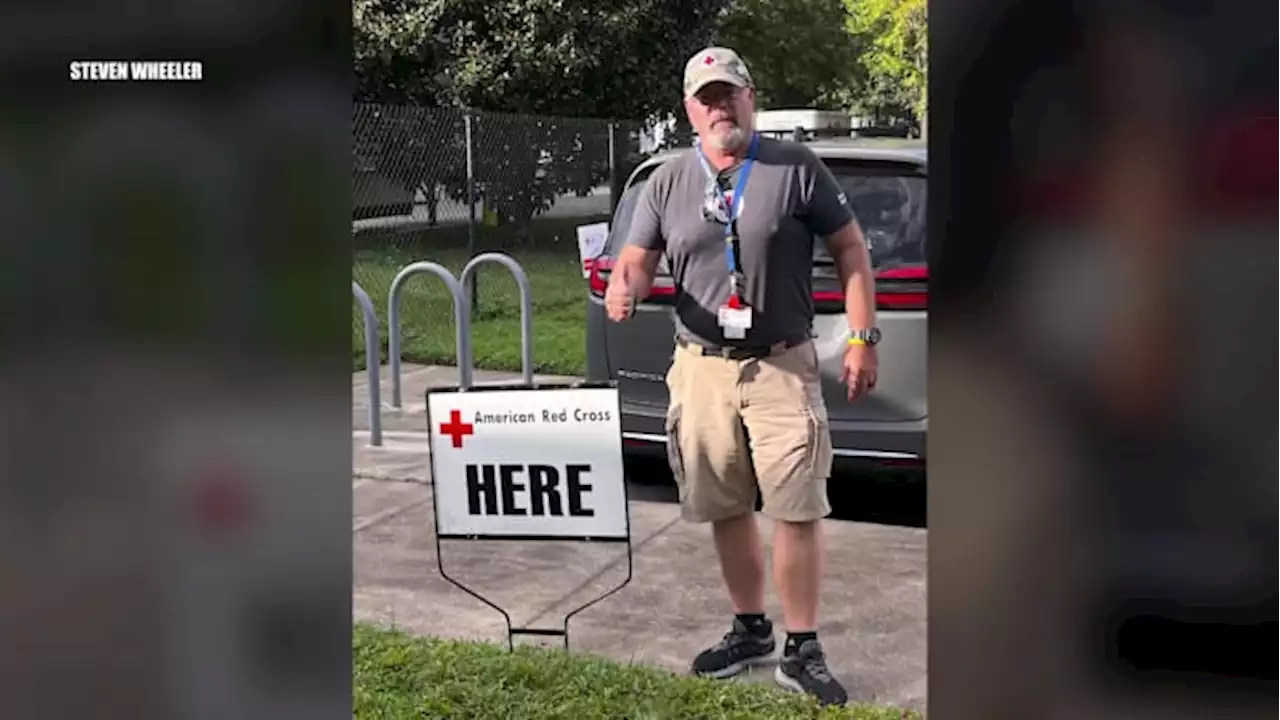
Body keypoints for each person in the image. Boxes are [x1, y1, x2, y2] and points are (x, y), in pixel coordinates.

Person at [604, 46, 881, 707]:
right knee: (724, 503)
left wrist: (863, 336)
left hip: (782, 365)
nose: (718, 105)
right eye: (706, 97)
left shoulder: (796, 168)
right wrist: (628, 285)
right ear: (689, 111)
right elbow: (638, 259)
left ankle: (803, 645)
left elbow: (851, 250)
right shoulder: (667, 181)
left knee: (797, 506)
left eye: (729, 92)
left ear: (750, 97)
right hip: (700, 369)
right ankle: (751, 628)